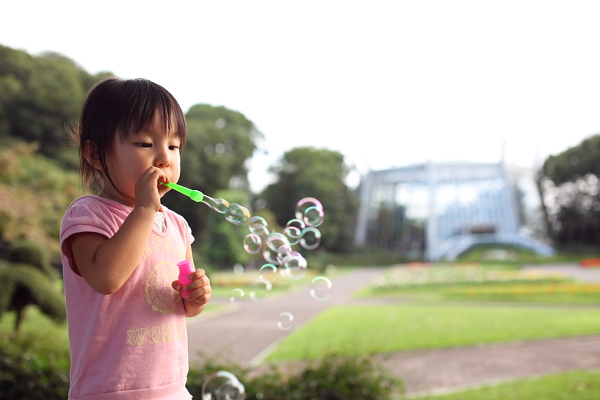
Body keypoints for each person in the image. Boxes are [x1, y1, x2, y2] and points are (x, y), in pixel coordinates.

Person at [60, 77, 211, 400]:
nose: (164, 159)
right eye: (145, 144)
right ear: (95, 154)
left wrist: (195, 298)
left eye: (173, 146)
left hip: (172, 388)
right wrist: (144, 207)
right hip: (109, 391)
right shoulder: (88, 215)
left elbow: (181, 305)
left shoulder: (178, 225)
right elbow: (106, 278)